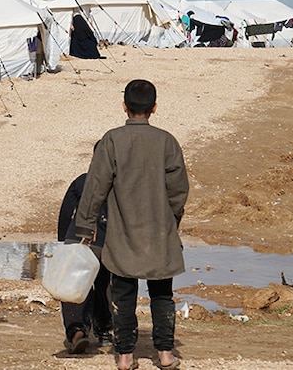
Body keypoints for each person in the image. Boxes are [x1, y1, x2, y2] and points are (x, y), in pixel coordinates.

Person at [75, 79, 189, 370]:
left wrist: (85, 228)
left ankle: (125, 356)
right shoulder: (167, 141)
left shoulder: (112, 140)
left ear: (124, 107)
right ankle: (165, 354)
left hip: (123, 233)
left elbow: (95, 187)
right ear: (154, 108)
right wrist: (171, 220)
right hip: (159, 233)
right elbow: (178, 189)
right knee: (162, 295)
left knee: (123, 297)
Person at [57, 166, 113, 354]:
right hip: (104, 241)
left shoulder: (82, 180)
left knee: (73, 285)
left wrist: (64, 237)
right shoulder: (119, 183)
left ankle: (76, 331)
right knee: (103, 286)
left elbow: (67, 210)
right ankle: (104, 332)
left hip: (77, 237)